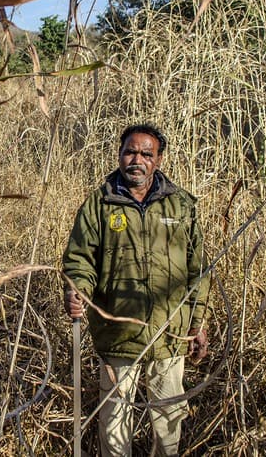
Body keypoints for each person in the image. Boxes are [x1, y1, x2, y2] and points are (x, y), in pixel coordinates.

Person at [62, 123, 210, 457]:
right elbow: (79, 259)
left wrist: (199, 321)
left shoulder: (181, 205)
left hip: (170, 333)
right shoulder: (100, 204)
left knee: (168, 426)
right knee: (114, 428)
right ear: (119, 153)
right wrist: (77, 291)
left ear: (158, 160)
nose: (136, 160)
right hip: (117, 333)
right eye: (130, 151)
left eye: (146, 154)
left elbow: (198, 271)